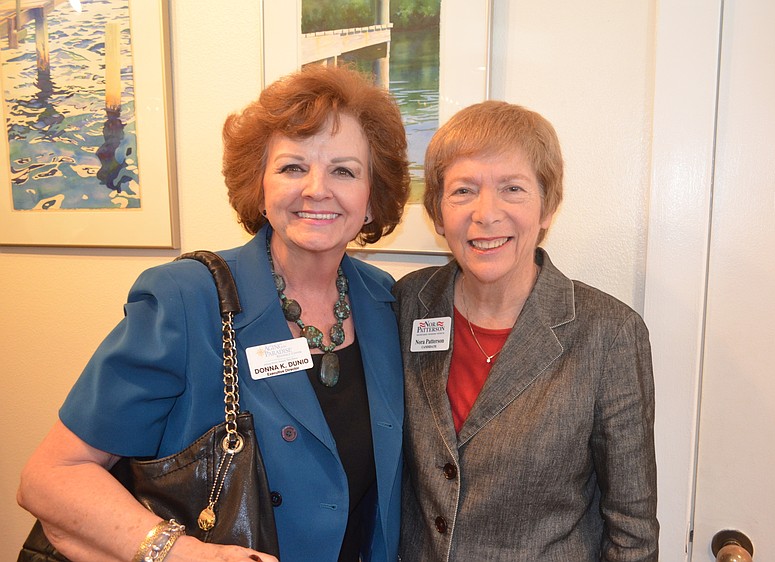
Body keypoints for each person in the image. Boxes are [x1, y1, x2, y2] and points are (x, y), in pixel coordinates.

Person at [17, 64, 410, 562]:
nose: (316, 188)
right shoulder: (186, 298)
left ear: (371, 199)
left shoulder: (384, 302)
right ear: (259, 188)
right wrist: (184, 555)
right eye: (293, 167)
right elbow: (51, 477)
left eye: (344, 170)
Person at [393, 100, 659, 561]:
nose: (486, 213)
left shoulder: (609, 333)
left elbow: (632, 528)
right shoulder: (402, 307)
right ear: (437, 213)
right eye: (462, 191)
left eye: (512, 188)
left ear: (547, 208)